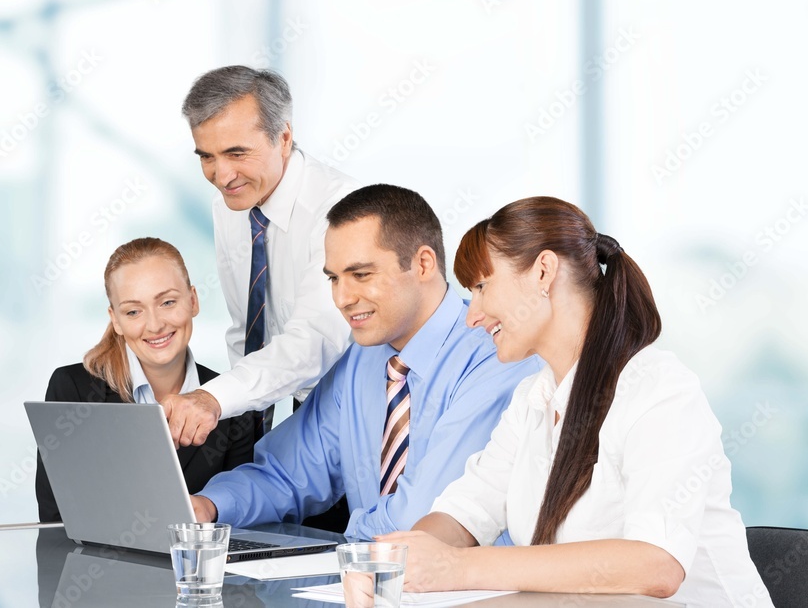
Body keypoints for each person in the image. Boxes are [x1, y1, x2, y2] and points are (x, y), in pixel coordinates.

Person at [379, 197, 772, 606]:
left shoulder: (659, 391)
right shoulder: (532, 399)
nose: (472, 316)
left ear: (543, 272)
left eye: (481, 286)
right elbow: (466, 510)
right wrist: (398, 562)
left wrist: (457, 568)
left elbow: (657, 565)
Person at [189, 184, 541, 539]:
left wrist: (344, 538)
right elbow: (286, 474)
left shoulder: (498, 356)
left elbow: (421, 520)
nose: (342, 298)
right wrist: (209, 505)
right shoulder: (362, 358)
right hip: (375, 583)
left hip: (465, 591)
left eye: (360, 275)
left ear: (423, 264)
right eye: (333, 278)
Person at [165, 65, 358, 448]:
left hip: (353, 414)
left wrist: (216, 397)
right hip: (281, 417)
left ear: (284, 137)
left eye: (237, 153)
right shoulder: (232, 205)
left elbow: (314, 341)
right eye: (207, 157)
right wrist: (240, 431)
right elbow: (248, 329)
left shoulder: (341, 210)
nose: (222, 176)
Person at [35, 238, 255, 522]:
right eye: (133, 311)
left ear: (193, 300)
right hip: (100, 565)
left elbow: (238, 523)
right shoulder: (73, 390)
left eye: (167, 302)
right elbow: (55, 520)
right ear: (115, 320)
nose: (154, 325)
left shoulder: (231, 402)